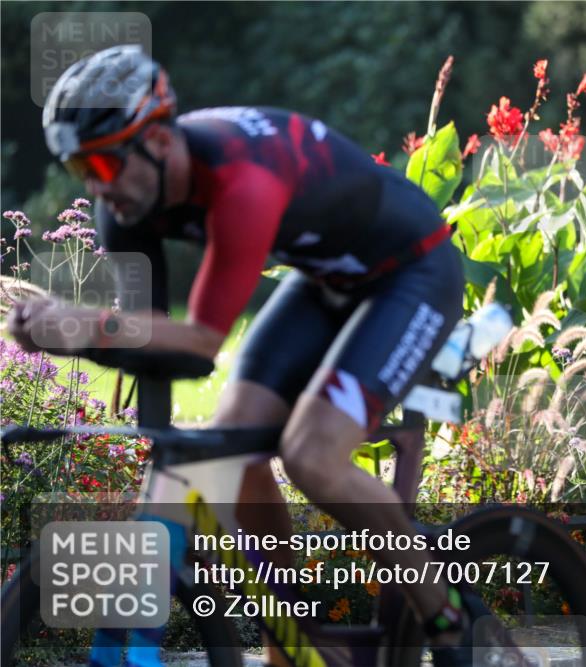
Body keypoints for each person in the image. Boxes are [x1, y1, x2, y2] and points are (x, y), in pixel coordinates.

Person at [10, 45, 469, 665]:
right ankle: (296, 639)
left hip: (412, 274)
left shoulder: (241, 181)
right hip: (326, 279)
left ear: (160, 142)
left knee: (312, 454)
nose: (96, 186)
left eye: (102, 162)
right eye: (79, 168)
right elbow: (151, 343)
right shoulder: (127, 205)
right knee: (234, 442)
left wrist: (84, 325)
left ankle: (446, 619)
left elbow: (201, 339)